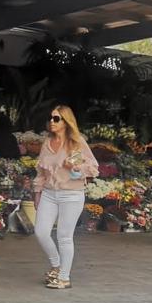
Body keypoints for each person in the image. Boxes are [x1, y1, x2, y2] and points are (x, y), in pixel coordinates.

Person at [32, 105, 99, 290]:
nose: (52, 122)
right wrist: (37, 193)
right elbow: (41, 172)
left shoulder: (75, 143)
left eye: (56, 119)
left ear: (66, 122)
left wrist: (75, 167)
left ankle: (64, 277)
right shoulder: (47, 143)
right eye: (51, 118)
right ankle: (56, 265)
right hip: (48, 193)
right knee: (41, 232)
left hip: (71, 194)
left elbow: (91, 168)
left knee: (64, 236)